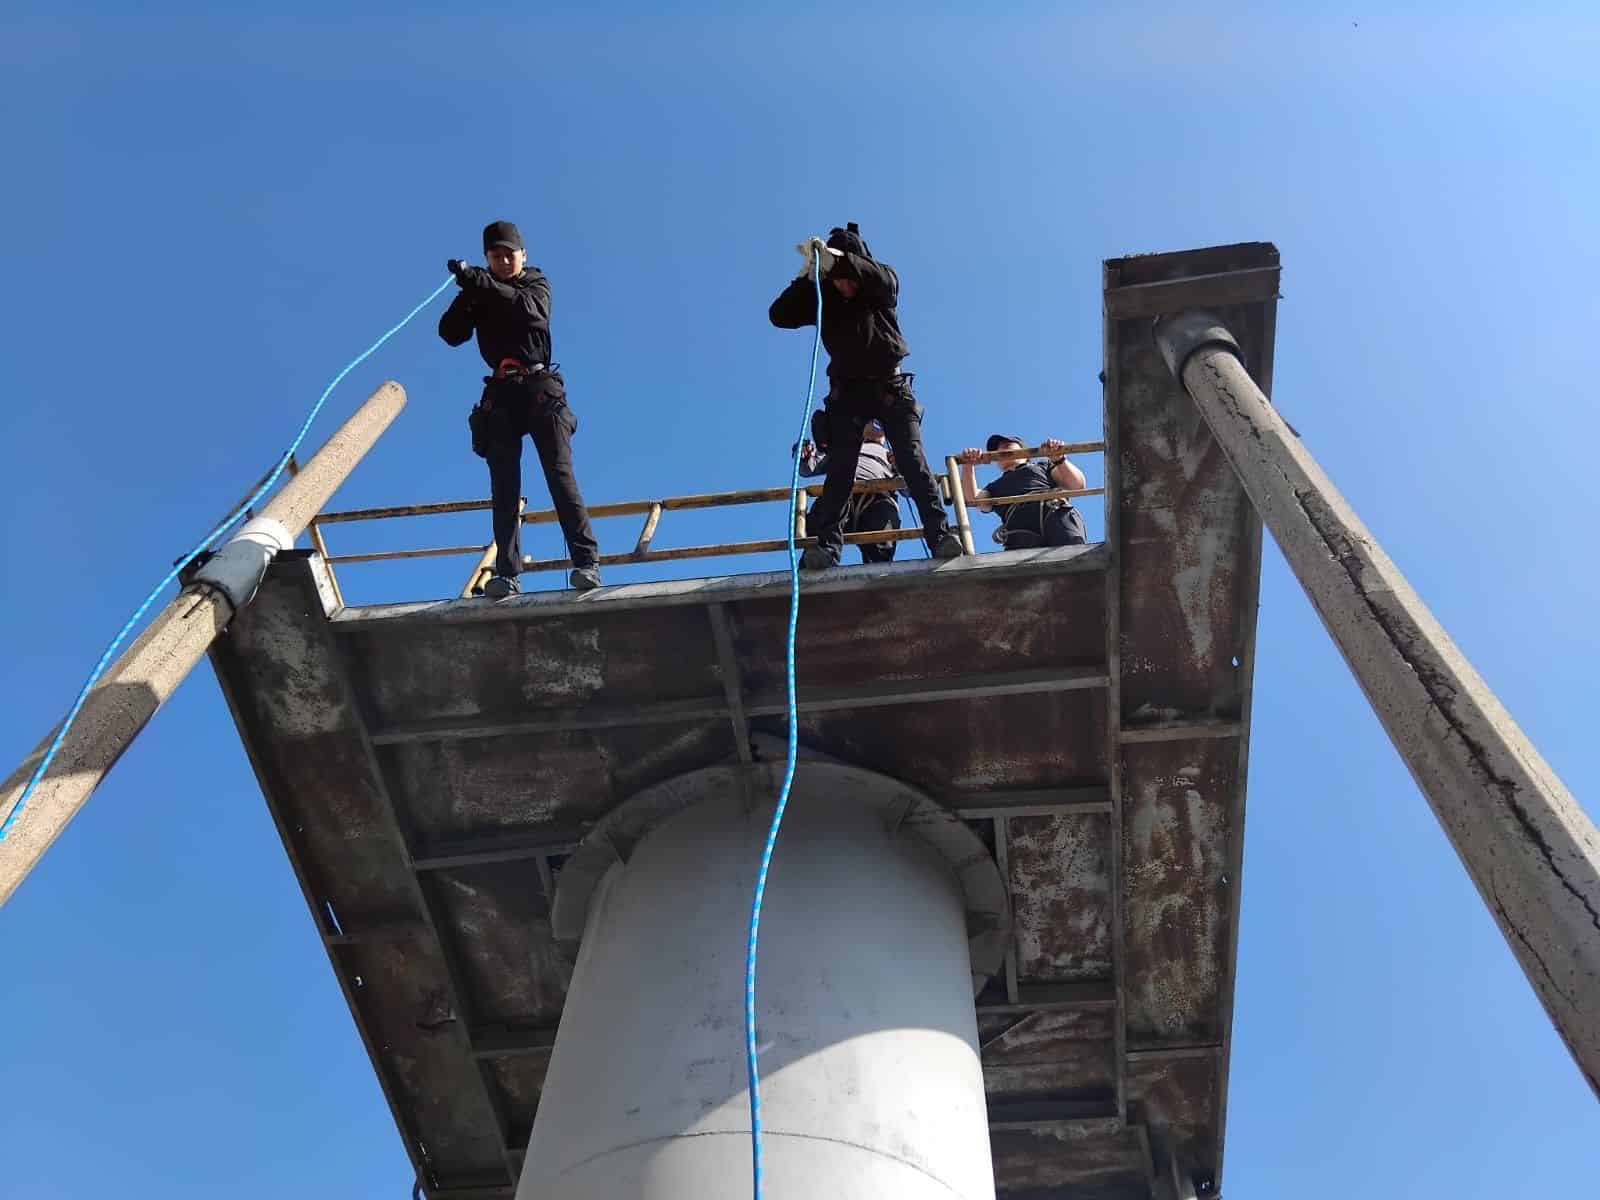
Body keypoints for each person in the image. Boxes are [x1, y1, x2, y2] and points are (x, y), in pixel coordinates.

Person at [769, 222, 962, 569]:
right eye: (836, 277)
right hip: (848, 396)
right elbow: (779, 316)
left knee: (911, 460)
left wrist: (840, 260)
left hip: (891, 389)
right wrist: (809, 274)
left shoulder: (879, 287)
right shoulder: (825, 299)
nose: (843, 284)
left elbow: (884, 280)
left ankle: (940, 534)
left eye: (847, 274)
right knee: (840, 468)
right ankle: (828, 546)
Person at [439, 220, 601, 597]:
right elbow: (450, 334)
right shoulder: (480, 290)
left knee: (559, 475)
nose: (504, 261)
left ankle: (586, 562)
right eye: (496, 256)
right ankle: (507, 573)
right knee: (505, 488)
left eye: (509, 255)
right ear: (487, 258)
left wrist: (483, 284)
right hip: (500, 392)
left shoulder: (535, 284)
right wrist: (467, 293)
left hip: (540, 387)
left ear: (523, 255)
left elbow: (532, 314)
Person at [793, 419, 901, 563]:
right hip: (842, 492)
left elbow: (908, 490)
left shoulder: (890, 454)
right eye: (871, 422)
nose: (875, 426)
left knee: (883, 533)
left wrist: (902, 467)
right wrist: (804, 455)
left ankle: (879, 570)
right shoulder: (845, 447)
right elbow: (807, 468)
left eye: (879, 424)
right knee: (826, 511)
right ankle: (821, 556)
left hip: (877, 499)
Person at [958, 435, 1089, 549]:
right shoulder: (995, 487)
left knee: (1074, 554)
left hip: (1054, 515)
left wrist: (1059, 459)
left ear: (1026, 454)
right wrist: (967, 466)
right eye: (998, 449)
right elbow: (973, 499)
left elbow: (1077, 485)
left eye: (1008, 444)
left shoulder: (1043, 466)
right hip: (1020, 531)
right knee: (1025, 576)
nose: (1001, 448)